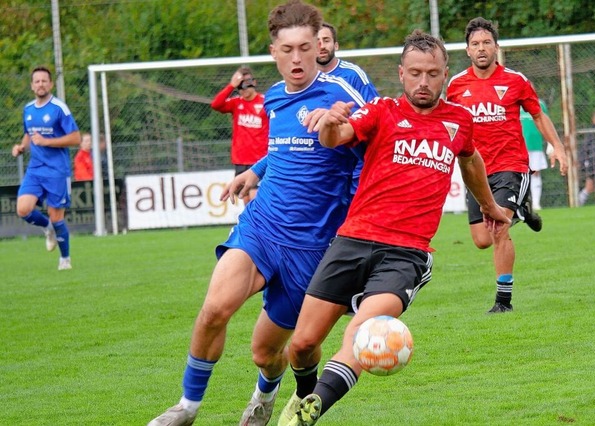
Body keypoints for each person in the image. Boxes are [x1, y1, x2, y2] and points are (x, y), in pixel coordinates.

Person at [147, 1, 367, 425]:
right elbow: (284, 151)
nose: (297, 58)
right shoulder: (273, 100)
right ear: (274, 52)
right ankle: (187, 408)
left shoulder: (346, 97)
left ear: (318, 45)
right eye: (288, 50)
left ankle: (265, 395)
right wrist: (255, 170)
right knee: (214, 309)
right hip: (262, 226)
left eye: (306, 47)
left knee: (266, 353)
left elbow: (379, 141)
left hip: (314, 246)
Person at [280, 30, 511, 426]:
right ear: (401, 73)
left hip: (406, 254)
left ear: (444, 74)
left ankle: (306, 414)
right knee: (300, 346)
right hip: (352, 240)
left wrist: (490, 206)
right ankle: (304, 395)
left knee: (361, 332)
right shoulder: (381, 110)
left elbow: (470, 162)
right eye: (416, 73)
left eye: (433, 74)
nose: (424, 82)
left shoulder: (459, 121)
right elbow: (339, 136)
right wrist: (331, 124)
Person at [446, 17, 568, 314]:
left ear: (496, 47)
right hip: (475, 171)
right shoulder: (456, 85)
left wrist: (559, 147)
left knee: (499, 228)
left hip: (510, 165)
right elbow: (448, 123)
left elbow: (538, 115)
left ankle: (503, 301)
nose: (481, 48)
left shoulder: (515, 80)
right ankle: (522, 212)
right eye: (475, 44)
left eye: (487, 42)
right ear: (467, 50)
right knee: (481, 240)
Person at [11, 66, 81, 271]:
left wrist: (46, 142)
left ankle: (65, 260)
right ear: (32, 86)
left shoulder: (59, 108)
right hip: (35, 169)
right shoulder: (28, 109)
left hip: (57, 170)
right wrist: (22, 147)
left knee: (57, 216)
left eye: (44, 81)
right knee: (23, 209)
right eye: (37, 81)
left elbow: (76, 138)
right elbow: (29, 133)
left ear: (50, 84)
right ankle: (46, 228)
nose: (41, 84)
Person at [315, 22, 379, 197]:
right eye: (317, 41)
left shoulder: (352, 74)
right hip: (326, 168)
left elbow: (375, 111)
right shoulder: (306, 81)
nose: (321, 45)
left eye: (326, 40)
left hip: (356, 162)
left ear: (335, 45)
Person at [210, 66, 269, 205]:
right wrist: (231, 85)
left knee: (256, 196)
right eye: (240, 87)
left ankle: (262, 225)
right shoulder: (236, 103)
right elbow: (216, 104)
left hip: (259, 159)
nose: (244, 90)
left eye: (246, 85)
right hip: (241, 159)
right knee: (246, 198)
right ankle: (254, 226)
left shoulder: (265, 102)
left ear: (254, 83)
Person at [520, 100, 549, 211]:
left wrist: (549, 143)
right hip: (519, 143)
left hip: (535, 144)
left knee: (535, 172)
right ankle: (522, 202)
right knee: (520, 172)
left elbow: (545, 122)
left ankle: (536, 202)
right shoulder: (515, 103)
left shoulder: (540, 103)